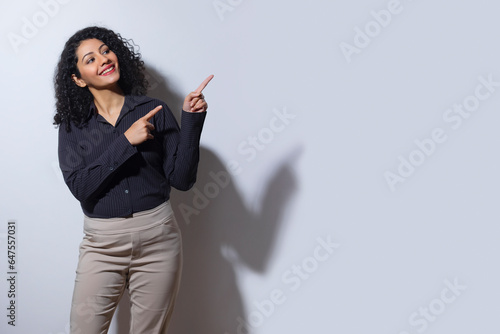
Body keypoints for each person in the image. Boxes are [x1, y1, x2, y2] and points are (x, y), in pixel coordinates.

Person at [53, 26, 213, 334]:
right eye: (90, 59)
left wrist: (191, 120)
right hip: (102, 245)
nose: (103, 59)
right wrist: (126, 141)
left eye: (105, 50)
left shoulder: (155, 111)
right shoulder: (73, 127)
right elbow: (81, 188)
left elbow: (182, 180)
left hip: (158, 239)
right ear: (78, 79)